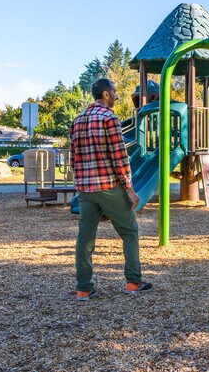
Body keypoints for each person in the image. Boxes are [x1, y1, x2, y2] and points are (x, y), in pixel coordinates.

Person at [70, 78, 153, 301]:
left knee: (85, 239)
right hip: (108, 185)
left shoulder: (77, 121)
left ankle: (84, 288)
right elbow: (119, 156)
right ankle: (133, 282)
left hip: (86, 189)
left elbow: (73, 157)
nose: (117, 96)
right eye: (115, 92)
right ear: (106, 94)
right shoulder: (109, 118)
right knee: (129, 231)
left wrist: (79, 185)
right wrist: (129, 188)